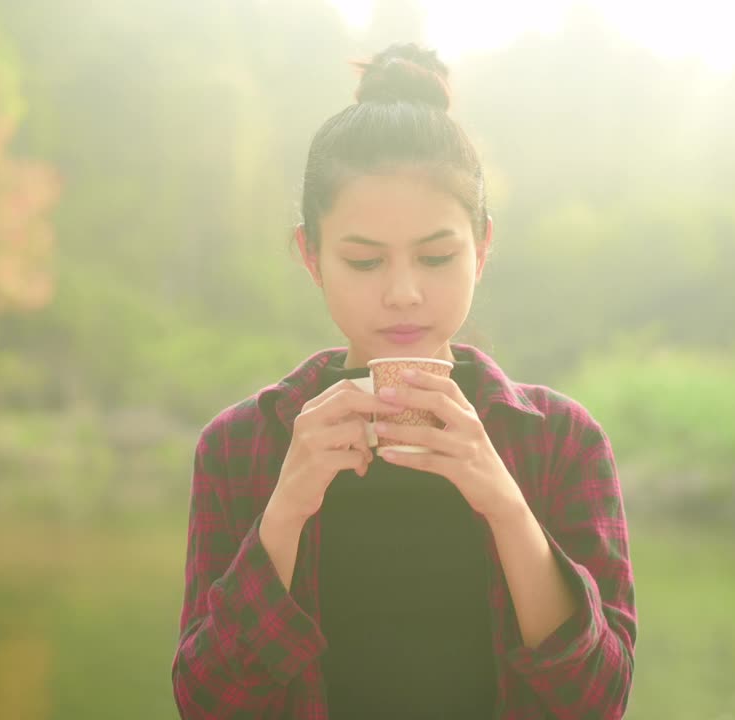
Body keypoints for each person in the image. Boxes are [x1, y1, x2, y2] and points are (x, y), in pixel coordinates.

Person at [171, 43, 636, 719]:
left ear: (482, 248)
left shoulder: (559, 441)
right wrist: (286, 510)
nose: (403, 293)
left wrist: (505, 504)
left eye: (437, 256)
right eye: (363, 262)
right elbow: (207, 704)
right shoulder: (243, 446)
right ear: (311, 255)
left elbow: (597, 702)